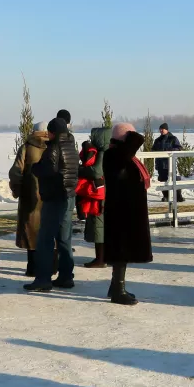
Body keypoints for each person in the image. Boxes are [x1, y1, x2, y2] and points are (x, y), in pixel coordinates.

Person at [24, 118, 79, 292]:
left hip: (54, 197)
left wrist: (35, 168)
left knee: (45, 239)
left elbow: (48, 170)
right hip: (69, 195)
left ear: (53, 132)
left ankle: (43, 279)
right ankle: (66, 276)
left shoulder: (54, 148)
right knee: (64, 238)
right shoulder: (71, 147)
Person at [103, 123, 153, 305]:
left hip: (126, 210)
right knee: (120, 251)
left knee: (122, 251)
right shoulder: (114, 155)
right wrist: (133, 137)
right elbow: (135, 144)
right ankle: (118, 291)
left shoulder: (122, 155)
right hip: (120, 211)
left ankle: (115, 286)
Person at [10, 122, 48, 277]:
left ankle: (32, 267)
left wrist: (17, 190)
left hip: (30, 194)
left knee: (31, 231)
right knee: (49, 230)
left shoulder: (26, 147)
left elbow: (16, 171)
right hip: (50, 195)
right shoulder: (54, 145)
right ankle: (50, 266)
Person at [79, 128, 110, 268]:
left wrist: (80, 170)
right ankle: (105, 257)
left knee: (99, 225)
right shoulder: (111, 150)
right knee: (103, 226)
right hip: (107, 192)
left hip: (100, 195)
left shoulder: (102, 153)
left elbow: (96, 172)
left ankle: (100, 259)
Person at [151, 123, 184, 202]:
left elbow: (179, 148)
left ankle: (178, 196)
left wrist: (170, 151)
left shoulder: (173, 138)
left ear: (166, 129)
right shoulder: (157, 140)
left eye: (163, 129)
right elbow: (153, 150)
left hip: (170, 163)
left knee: (175, 179)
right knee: (162, 180)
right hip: (160, 164)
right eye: (160, 129)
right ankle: (166, 196)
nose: (161, 130)